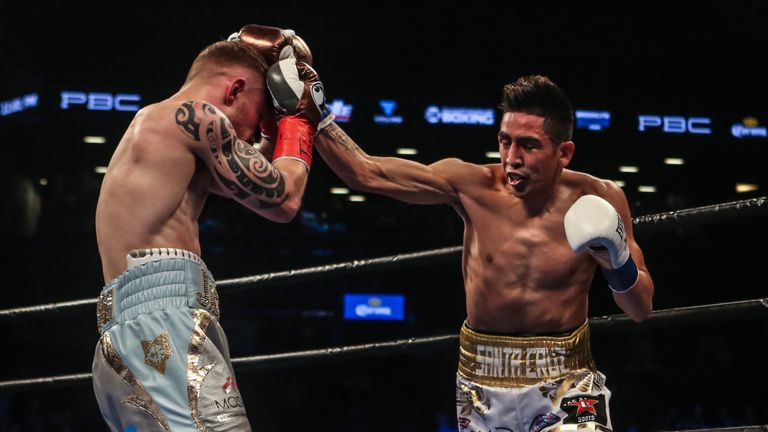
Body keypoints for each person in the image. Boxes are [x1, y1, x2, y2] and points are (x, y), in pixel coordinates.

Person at [315, 75, 653, 431]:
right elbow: (367, 173)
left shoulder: (600, 197)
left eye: (528, 145)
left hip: (568, 377)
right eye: (504, 141)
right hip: (483, 381)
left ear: (564, 153)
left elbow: (640, 309)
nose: (512, 158)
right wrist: (312, 113)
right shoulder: (472, 186)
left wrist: (617, 263)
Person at [92, 24, 330, 431]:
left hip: (129, 335)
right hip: (164, 327)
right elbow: (285, 198)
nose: (252, 135)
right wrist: (297, 122)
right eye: (255, 122)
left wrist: (277, 123)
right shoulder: (196, 116)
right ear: (234, 89)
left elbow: (260, 183)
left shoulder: (161, 134)